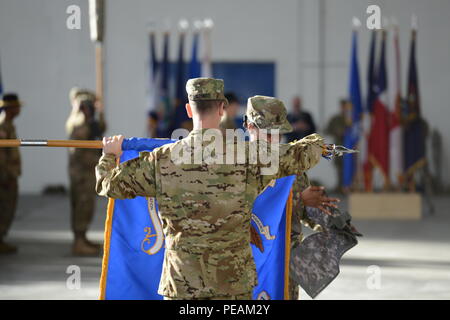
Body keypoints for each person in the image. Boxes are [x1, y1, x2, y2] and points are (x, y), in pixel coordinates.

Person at [95, 78, 330, 300]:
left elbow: (107, 184)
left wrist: (109, 155)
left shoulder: (161, 160)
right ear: (222, 109)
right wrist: (319, 143)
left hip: (181, 286)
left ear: (188, 110)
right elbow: (304, 154)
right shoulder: (249, 157)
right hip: (233, 285)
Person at [242, 96, 339, 300]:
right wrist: (297, 198)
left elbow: (308, 213)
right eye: (266, 133)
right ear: (249, 126)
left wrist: (327, 217)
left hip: (283, 264)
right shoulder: (234, 164)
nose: (272, 139)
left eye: (277, 134)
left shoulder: (290, 166)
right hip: (244, 264)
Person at [66, 88, 106, 256]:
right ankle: (79, 242)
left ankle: (82, 238)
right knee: (82, 206)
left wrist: (99, 114)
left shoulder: (89, 122)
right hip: (82, 172)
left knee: (86, 206)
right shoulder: (80, 123)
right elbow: (77, 152)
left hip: (87, 171)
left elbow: (101, 129)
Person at [0, 93, 22, 254]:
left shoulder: (9, 125)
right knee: (3, 208)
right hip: (5, 177)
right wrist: (5, 176)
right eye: (17, 106)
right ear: (10, 108)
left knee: (8, 208)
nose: (19, 109)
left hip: (10, 175)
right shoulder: (3, 127)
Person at [325, 99, 348, 191]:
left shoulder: (351, 118)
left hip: (351, 147)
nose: (344, 108)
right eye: (342, 106)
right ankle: (340, 185)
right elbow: (327, 129)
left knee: (349, 165)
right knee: (339, 166)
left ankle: (348, 185)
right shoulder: (336, 119)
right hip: (339, 146)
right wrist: (336, 132)